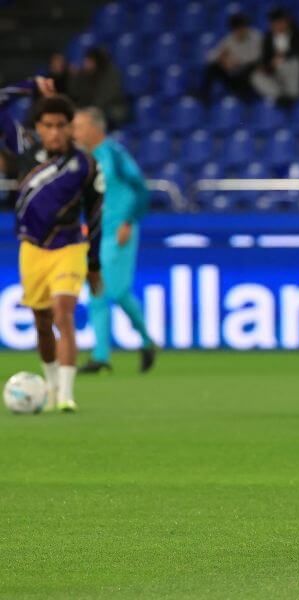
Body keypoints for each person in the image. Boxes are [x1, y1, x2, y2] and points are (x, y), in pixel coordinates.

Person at [1, 77, 103, 412]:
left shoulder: (85, 165)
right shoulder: (26, 151)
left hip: (70, 247)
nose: (55, 132)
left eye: (62, 125)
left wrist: (94, 265)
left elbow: (98, 212)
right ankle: (49, 383)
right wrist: (30, 86)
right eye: (48, 125)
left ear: (71, 127)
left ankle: (65, 396)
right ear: (38, 127)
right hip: (32, 248)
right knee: (42, 323)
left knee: (64, 315)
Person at [72, 107, 156, 374]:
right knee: (100, 291)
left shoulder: (114, 154)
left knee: (115, 291)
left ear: (96, 128)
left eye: (80, 126)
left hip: (119, 231)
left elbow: (141, 188)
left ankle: (143, 341)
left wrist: (129, 221)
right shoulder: (82, 159)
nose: (75, 132)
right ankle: (103, 356)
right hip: (96, 233)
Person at [251, 8, 299, 103]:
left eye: (279, 23)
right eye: (274, 24)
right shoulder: (268, 38)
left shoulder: (298, 34)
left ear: (286, 22)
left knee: (295, 62)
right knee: (256, 76)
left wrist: (283, 57)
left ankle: (293, 96)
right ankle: (280, 97)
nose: (276, 26)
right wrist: (267, 65)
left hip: (292, 70)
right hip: (275, 74)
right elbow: (265, 59)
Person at [201, 13, 262, 101]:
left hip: (251, 77)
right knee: (212, 67)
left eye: (243, 27)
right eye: (237, 29)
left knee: (251, 67)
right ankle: (204, 98)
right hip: (235, 76)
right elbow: (210, 57)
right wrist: (222, 59)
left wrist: (237, 62)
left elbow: (258, 56)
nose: (241, 31)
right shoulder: (229, 40)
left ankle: (246, 98)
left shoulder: (256, 37)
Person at [68, 47, 129, 128]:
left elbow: (107, 96)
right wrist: (74, 77)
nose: (85, 64)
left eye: (89, 61)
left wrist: (91, 110)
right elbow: (76, 93)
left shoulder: (111, 74)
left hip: (111, 107)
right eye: (85, 61)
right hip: (90, 108)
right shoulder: (83, 74)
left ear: (96, 62)